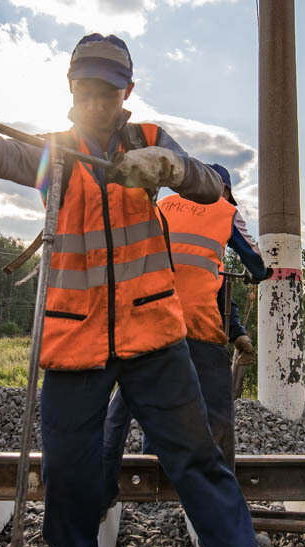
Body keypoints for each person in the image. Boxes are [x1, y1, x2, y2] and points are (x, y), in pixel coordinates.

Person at [0, 35, 289, 547]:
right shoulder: (53, 153)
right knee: (68, 474)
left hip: (153, 335)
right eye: (85, 87)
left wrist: (172, 168)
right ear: (71, 87)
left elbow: (210, 187)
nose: (95, 99)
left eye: (107, 89)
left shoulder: (147, 139)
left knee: (197, 460)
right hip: (75, 341)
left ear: (127, 90)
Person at [103, 162, 271, 489]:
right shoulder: (225, 211)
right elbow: (254, 262)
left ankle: (101, 490)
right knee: (218, 412)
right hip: (197, 325)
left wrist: (236, 331)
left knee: (122, 406)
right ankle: (223, 506)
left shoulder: (162, 205)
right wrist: (259, 273)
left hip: (149, 319)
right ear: (220, 189)